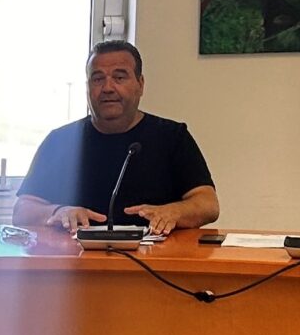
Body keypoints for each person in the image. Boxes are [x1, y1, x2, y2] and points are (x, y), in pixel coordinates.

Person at [13, 40, 219, 235]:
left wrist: (174, 212)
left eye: (119, 78)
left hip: (155, 256)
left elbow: (208, 204)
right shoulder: (60, 141)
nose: (108, 88)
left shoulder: (172, 137)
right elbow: (23, 210)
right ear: (87, 87)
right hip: (77, 257)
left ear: (140, 84)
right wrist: (58, 212)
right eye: (98, 79)